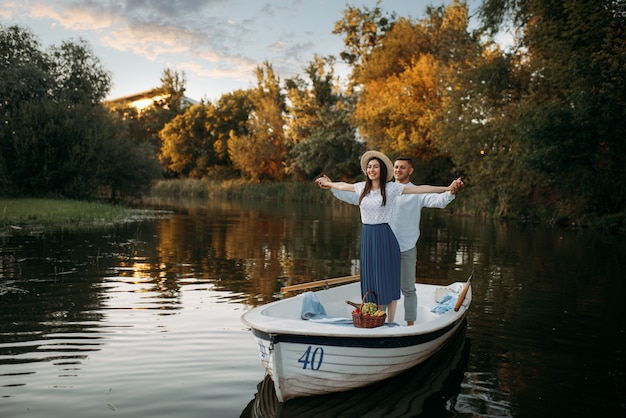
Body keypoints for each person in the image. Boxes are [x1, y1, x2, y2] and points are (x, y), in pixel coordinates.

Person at [316, 150, 462, 323]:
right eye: (396, 167)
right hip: (378, 244)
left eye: (402, 167)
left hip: (405, 246)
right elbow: (347, 191)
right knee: (379, 284)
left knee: (407, 289)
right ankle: (379, 321)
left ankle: (410, 325)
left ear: (410, 170)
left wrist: (449, 190)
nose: (398, 170)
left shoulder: (406, 192)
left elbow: (434, 197)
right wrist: (330, 185)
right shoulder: (371, 190)